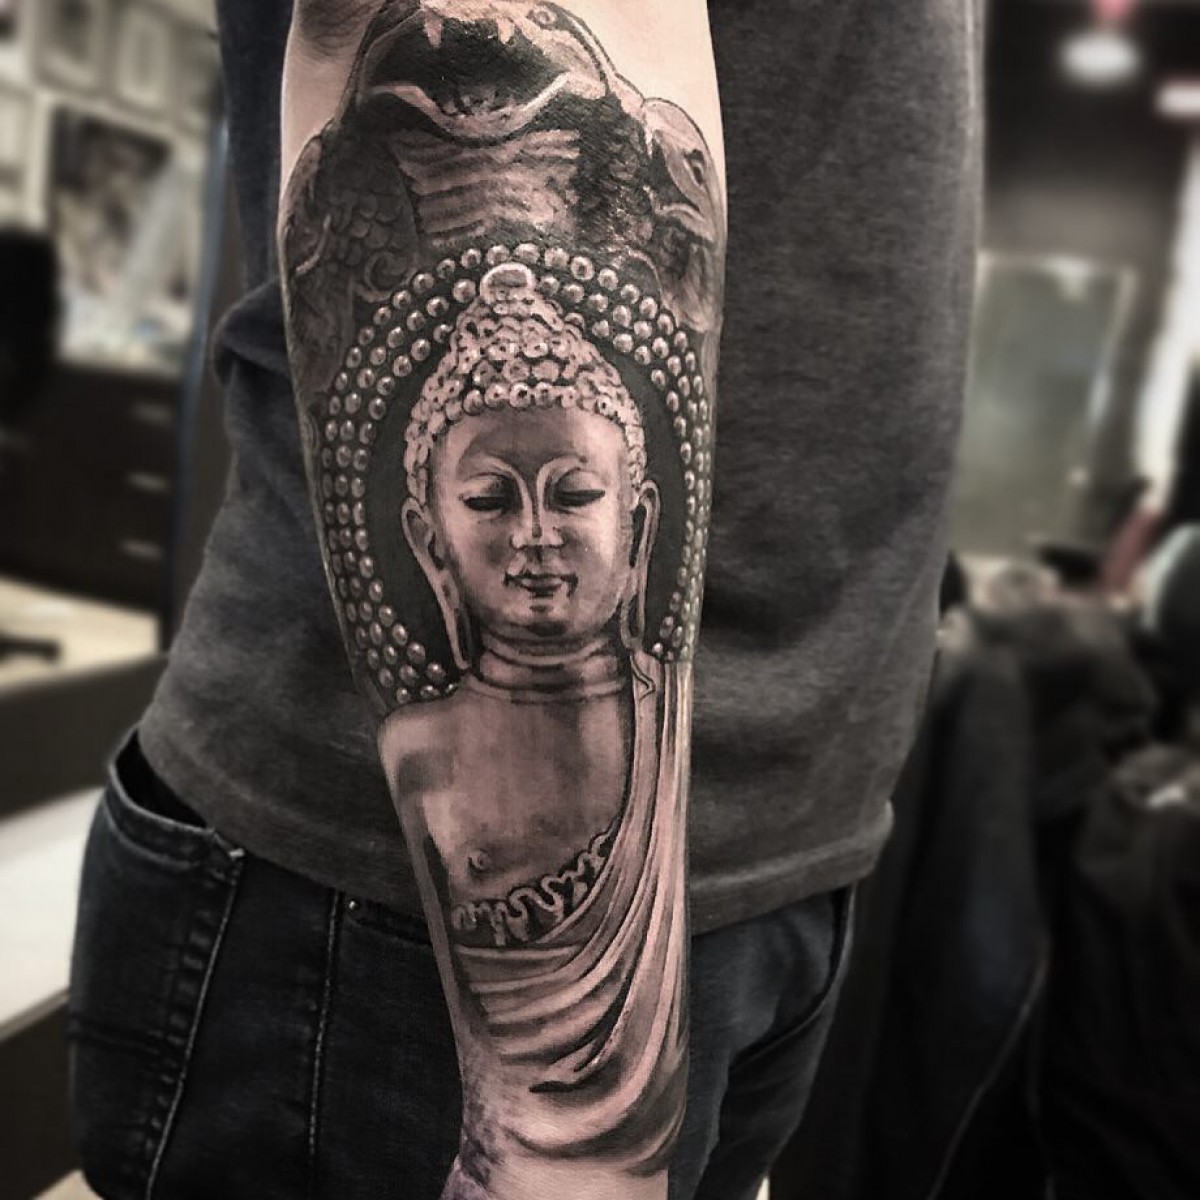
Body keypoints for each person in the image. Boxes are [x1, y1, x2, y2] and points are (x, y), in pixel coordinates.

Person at [67, 2, 982, 1198]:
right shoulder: (444, 764)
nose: (540, 540)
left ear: (638, 513)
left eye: (576, 494)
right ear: (426, 537)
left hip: (791, 852)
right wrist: (559, 1145)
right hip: (393, 936)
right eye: (492, 499)